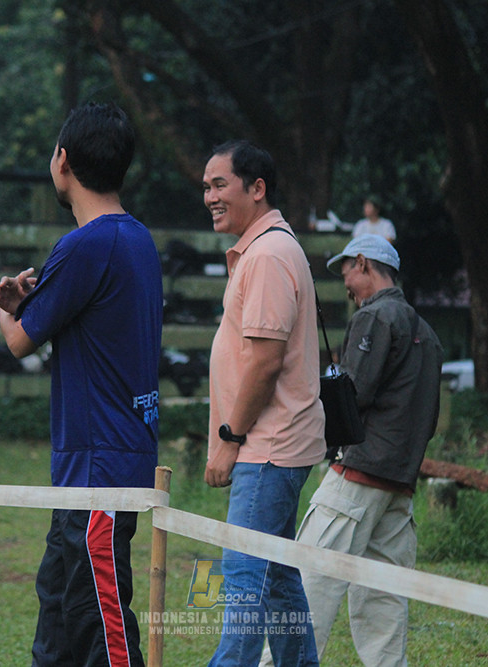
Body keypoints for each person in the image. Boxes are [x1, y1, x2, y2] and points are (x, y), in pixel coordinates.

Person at [0, 102, 162, 667]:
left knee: (102, 627)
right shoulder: (137, 238)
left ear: (62, 161)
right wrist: (29, 308)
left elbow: (19, 341)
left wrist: (6, 307)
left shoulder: (86, 244)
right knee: (59, 620)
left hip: (100, 471)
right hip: (93, 468)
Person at [261, 234, 443, 667]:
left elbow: (354, 395)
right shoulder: (429, 334)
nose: (345, 285)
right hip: (399, 485)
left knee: (307, 583)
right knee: (383, 603)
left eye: (346, 273)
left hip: (357, 477)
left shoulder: (375, 317)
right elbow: (429, 416)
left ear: (363, 263)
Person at [202, 139, 325, 666]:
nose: (209, 196)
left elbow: (265, 361)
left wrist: (230, 439)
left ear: (257, 189)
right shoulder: (264, 250)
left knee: (245, 584)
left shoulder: (271, 254)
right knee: (274, 580)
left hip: (266, 447)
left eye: (220, 184)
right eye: (206, 186)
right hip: (272, 444)